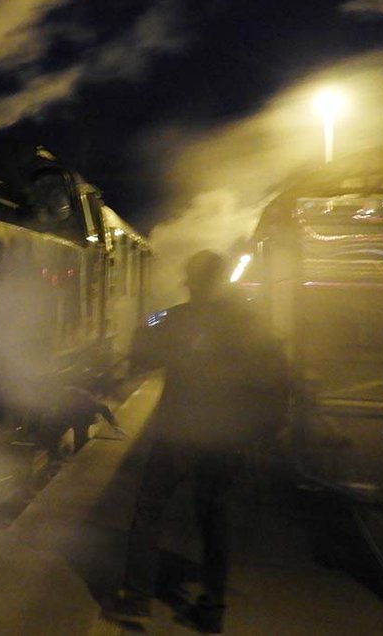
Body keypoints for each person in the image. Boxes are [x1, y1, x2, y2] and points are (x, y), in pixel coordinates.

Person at [113, 250, 289, 634]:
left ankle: (137, 600)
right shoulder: (252, 323)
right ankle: (213, 607)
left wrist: (154, 318)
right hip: (226, 438)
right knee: (215, 519)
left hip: (178, 432)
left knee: (148, 510)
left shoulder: (174, 317)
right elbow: (277, 379)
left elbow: (143, 343)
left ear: (190, 280)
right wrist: (263, 433)